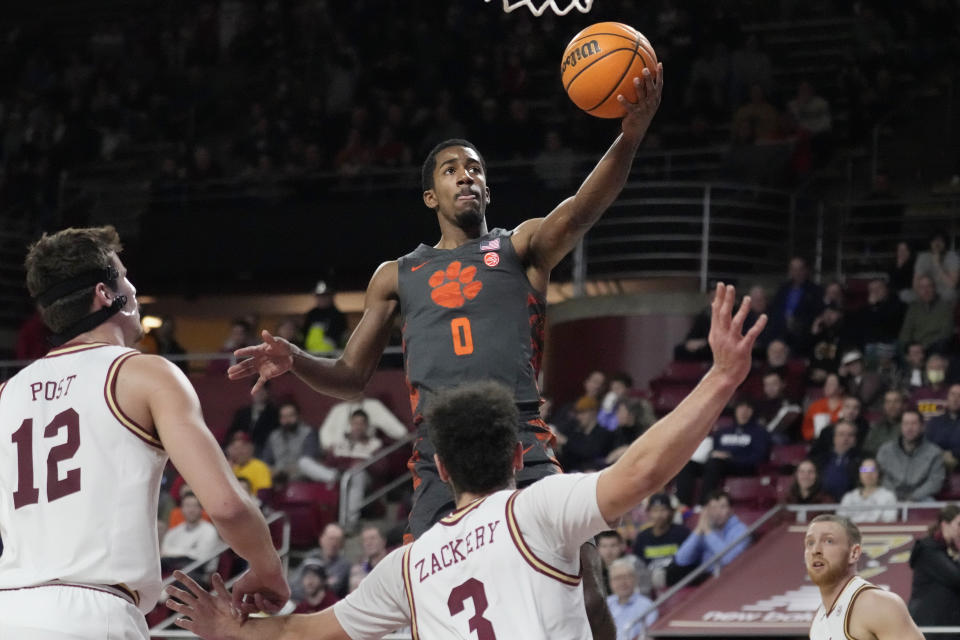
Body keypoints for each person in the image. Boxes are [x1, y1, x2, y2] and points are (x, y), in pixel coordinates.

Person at [228, 69, 663, 638]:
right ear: (431, 194)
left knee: (579, 573)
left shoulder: (520, 248)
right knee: (424, 596)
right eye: (453, 169)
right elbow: (351, 376)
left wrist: (629, 136)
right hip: (440, 453)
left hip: (519, 437)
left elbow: (582, 208)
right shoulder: (397, 275)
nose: (468, 177)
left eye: (476, 169)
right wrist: (297, 361)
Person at [165, 282, 765, 640]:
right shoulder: (538, 510)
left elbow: (306, 630)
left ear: (441, 470)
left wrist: (232, 630)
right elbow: (643, 472)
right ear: (516, 452)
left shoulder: (409, 563)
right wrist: (721, 378)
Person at [0, 226, 288, 639]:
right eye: (125, 275)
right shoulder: (144, 373)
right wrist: (268, 569)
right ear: (105, 293)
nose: (134, 289)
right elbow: (226, 505)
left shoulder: (6, 394)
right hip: (93, 613)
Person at [805, 515, 922, 639]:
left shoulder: (877, 604)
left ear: (854, 553)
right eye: (810, 542)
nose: (815, 550)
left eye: (829, 541)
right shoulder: (819, 617)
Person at [669, 490, 750, 585]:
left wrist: (707, 531)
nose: (717, 512)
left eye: (722, 507)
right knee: (674, 572)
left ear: (731, 510)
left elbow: (729, 560)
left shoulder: (741, 530)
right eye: (712, 507)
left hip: (733, 578)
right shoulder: (704, 529)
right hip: (706, 580)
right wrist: (698, 529)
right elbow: (681, 559)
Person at [908, 504, 960, 640]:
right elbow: (956, 578)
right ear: (945, 524)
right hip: (930, 624)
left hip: (947, 624)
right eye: (959, 524)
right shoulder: (928, 550)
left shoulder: (950, 551)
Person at [876, 409, 946, 501]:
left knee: (929, 502)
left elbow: (935, 481)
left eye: (914, 424)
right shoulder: (885, 450)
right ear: (901, 426)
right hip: (890, 497)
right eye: (906, 424)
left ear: (922, 426)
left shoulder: (934, 452)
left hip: (920, 498)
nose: (909, 428)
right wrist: (892, 496)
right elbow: (881, 476)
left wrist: (914, 497)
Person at [632, 493, 690, 593]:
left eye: (663, 510)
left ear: (670, 512)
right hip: (650, 587)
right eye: (655, 510)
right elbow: (638, 565)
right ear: (648, 513)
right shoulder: (642, 537)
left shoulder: (682, 533)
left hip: (677, 584)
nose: (659, 515)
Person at [606, 558, 657, 640]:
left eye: (626, 577)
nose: (622, 582)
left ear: (635, 579)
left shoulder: (647, 606)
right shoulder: (605, 604)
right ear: (610, 582)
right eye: (617, 578)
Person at [838, 458, 897, 523]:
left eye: (872, 470)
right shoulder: (849, 497)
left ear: (879, 474)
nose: (868, 474)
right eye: (864, 470)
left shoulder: (888, 496)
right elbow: (840, 521)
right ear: (859, 474)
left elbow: (890, 520)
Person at [302, 280, 347, 354]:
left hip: (331, 355)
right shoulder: (311, 314)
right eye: (319, 296)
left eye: (325, 295)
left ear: (331, 296)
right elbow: (304, 334)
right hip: (310, 353)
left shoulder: (338, 315)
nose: (321, 299)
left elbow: (341, 338)